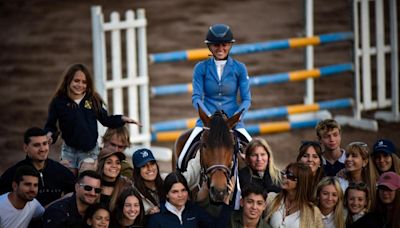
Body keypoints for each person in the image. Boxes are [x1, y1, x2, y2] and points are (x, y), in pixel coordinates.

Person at [178, 23, 252, 170]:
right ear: (209, 46)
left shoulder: (240, 68)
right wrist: (209, 118)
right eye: (216, 45)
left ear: (230, 45)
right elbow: (196, 97)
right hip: (207, 122)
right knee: (182, 160)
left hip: (233, 122)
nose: (220, 49)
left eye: (224, 45)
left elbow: (246, 99)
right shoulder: (201, 68)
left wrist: (236, 118)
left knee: (258, 157)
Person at [44, 63, 140, 175]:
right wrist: (49, 135)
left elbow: (106, 120)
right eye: (76, 81)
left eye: (84, 82)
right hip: (68, 150)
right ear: (68, 80)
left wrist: (122, 118)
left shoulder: (93, 100)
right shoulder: (58, 102)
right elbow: (51, 125)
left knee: (86, 177)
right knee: (69, 180)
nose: (80, 85)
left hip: (89, 151)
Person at [0, 127, 75, 206]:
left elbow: (76, 192)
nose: (42, 149)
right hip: (25, 218)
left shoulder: (59, 170)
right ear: (25, 148)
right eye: (36, 145)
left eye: (45, 144)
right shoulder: (14, 173)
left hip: (52, 217)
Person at [146, 171, 231, 227]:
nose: (180, 195)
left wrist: (226, 202)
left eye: (183, 190)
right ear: (167, 194)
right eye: (175, 192)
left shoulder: (194, 210)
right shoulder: (156, 218)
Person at [265, 162, 323, 228]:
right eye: (285, 172)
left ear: (301, 181)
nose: (284, 176)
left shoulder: (313, 212)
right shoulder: (271, 199)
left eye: (290, 175)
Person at [337, 142, 378, 208]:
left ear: (365, 162)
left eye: (354, 156)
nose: (348, 159)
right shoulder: (339, 182)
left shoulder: (375, 185)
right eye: (347, 156)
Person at [131, 148, 165, 215]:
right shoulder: (133, 192)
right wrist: (147, 213)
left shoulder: (166, 181)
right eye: (143, 166)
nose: (150, 168)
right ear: (137, 171)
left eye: (152, 164)